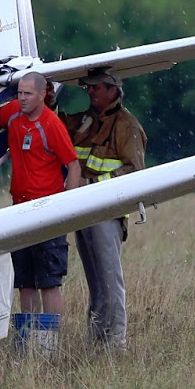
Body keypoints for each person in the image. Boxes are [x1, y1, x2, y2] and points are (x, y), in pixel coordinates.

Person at [0, 70, 81, 355]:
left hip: (47, 212)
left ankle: (48, 348)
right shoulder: (13, 116)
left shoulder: (51, 125)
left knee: (49, 283)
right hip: (20, 211)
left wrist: (66, 207)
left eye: (28, 94)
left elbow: (74, 166)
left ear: (43, 95)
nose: (22, 99)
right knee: (25, 283)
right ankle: (25, 345)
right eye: (19, 93)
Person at [64, 66, 147, 349]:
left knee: (110, 279)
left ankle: (115, 341)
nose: (89, 92)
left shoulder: (127, 126)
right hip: (84, 209)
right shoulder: (86, 120)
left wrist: (100, 182)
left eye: (96, 87)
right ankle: (97, 339)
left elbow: (135, 170)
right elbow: (58, 130)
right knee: (95, 281)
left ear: (113, 90)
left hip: (107, 212)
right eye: (87, 87)